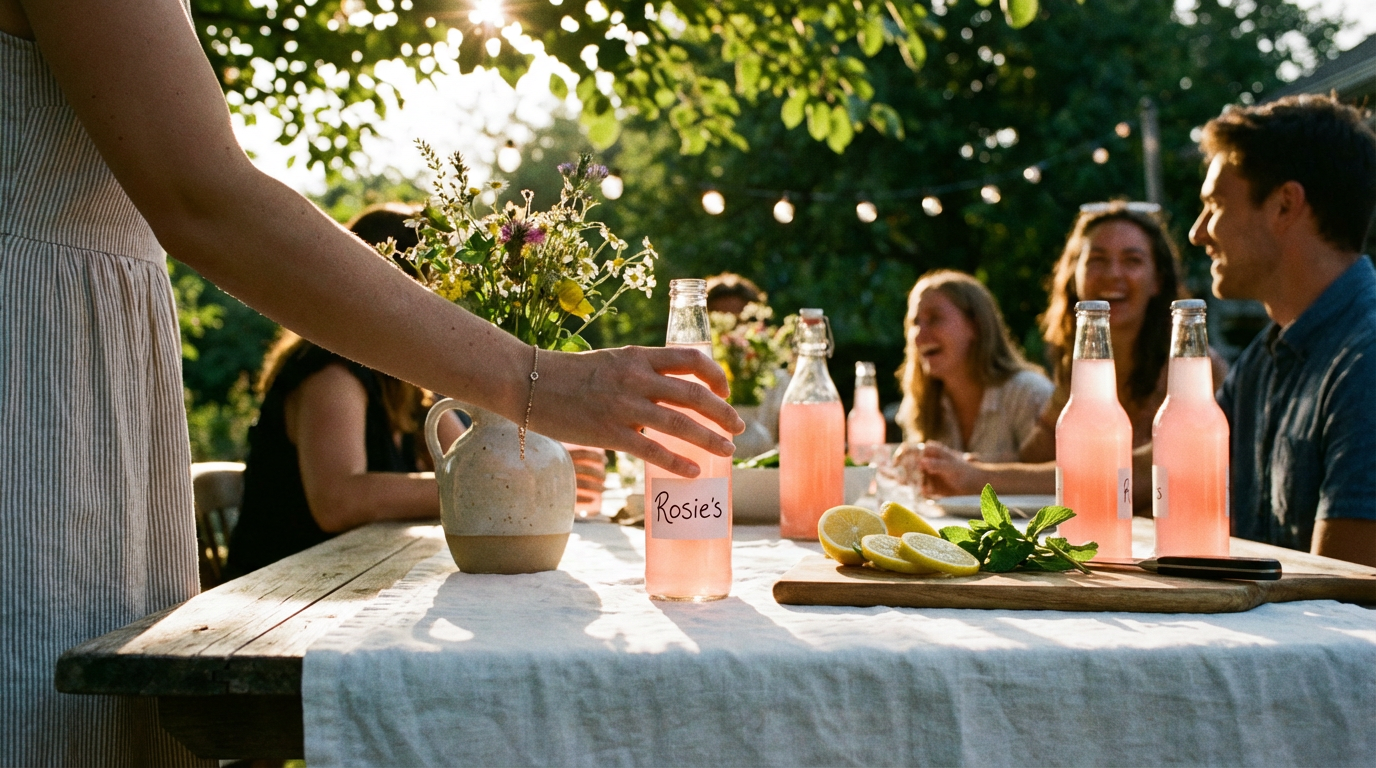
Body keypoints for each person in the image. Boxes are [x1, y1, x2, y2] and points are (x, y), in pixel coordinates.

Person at [0, 3, 741, 764]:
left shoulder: (392, 390)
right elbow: (203, 195)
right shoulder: (326, 374)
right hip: (37, 383)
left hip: (93, 375)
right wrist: (538, 382)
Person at [919, 203, 1224, 503]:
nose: (1113, 274)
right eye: (1097, 260)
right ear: (1074, 276)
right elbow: (1032, 460)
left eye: (1132, 260)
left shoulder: (1193, 370)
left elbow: (1146, 473)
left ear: (1157, 280)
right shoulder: (1079, 371)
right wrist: (951, 463)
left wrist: (975, 477)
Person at [1190, 94, 1376, 566]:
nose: (1198, 233)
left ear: (1284, 206)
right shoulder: (1265, 356)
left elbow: (1349, 595)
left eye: (1215, 205)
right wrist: (984, 477)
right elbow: (1176, 461)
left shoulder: (1367, 359)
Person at [894, 270, 1053, 461]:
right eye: (915, 323)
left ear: (975, 326)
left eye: (935, 318)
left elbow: (1055, 479)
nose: (920, 336)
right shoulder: (919, 407)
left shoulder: (1029, 394)